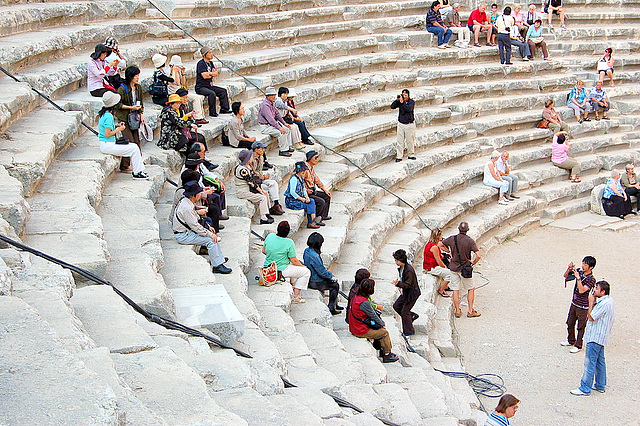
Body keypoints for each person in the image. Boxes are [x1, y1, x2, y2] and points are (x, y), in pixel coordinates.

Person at [172, 180, 231, 274]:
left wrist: (207, 227)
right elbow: (195, 226)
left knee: (211, 235)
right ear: (193, 195)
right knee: (211, 240)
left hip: (187, 231)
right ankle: (217, 265)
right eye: (199, 193)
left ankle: (218, 258)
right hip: (183, 235)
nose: (200, 194)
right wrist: (209, 234)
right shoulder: (186, 207)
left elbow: (195, 217)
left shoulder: (186, 202)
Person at [570, 280, 615, 396]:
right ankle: (600, 384)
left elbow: (591, 317)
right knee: (600, 361)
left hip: (595, 337)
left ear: (603, 292)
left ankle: (585, 388)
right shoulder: (609, 301)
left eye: (596, 288)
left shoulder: (604, 304)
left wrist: (590, 303)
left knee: (589, 363)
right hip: (601, 337)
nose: (594, 290)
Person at [97, 92, 148, 180]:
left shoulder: (104, 114)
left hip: (106, 144)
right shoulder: (109, 116)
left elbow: (107, 128)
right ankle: (137, 172)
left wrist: (117, 126)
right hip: (108, 145)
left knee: (133, 147)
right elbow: (107, 133)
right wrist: (119, 129)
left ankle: (139, 171)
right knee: (134, 148)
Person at [348, 278, 399, 363]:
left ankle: (382, 349)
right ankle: (387, 354)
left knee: (379, 329)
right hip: (360, 330)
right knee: (384, 333)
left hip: (354, 325)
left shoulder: (356, 296)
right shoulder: (364, 303)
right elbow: (373, 315)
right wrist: (382, 323)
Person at [262, 221, 311, 304]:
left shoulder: (270, 236)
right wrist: (303, 266)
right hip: (280, 270)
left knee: (294, 267)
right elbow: (294, 260)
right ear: (288, 232)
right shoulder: (289, 242)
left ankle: (293, 286)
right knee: (306, 272)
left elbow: (264, 251)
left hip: (268, 267)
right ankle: (296, 296)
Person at [443, 222, 482, 318]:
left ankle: (457, 310)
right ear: (467, 230)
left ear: (458, 228)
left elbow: (440, 244)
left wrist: (448, 252)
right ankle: (470, 310)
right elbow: (479, 255)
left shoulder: (452, 238)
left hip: (453, 268)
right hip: (465, 269)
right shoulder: (469, 241)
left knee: (455, 289)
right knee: (470, 288)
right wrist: (473, 262)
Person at [561, 256, 597, 354]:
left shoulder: (591, 280)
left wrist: (578, 278)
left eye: (585, 265)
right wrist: (569, 269)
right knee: (570, 322)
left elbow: (581, 290)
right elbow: (565, 276)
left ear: (591, 267)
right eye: (583, 263)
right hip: (574, 303)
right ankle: (571, 340)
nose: (583, 266)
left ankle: (578, 345)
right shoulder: (580, 272)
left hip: (583, 306)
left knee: (581, 326)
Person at [303, 232, 343, 315]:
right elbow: (322, 272)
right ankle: (332, 307)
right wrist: (330, 275)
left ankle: (335, 304)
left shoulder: (306, 251)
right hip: (315, 281)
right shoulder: (315, 256)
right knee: (335, 285)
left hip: (310, 277)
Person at [115, 66, 145, 173]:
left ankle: (138, 162)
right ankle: (124, 165)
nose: (137, 78)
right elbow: (118, 104)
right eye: (135, 76)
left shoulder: (138, 88)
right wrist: (131, 108)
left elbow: (141, 102)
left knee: (137, 142)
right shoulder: (122, 89)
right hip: (124, 118)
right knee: (129, 142)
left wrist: (141, 114)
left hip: (134, 118)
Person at [234, 149, 275, 224]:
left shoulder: (247, 167)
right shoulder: (242, 170)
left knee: (266, 194)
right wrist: (260, 191)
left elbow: (254, 180)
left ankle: (267, 213)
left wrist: (262, 189)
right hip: (243, 192)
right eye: (250, 157)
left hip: (249, 189)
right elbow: (251, 182)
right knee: (262, 197)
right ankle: (263, 218)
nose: (251, 158)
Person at [168, 55, 208, 125]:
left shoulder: (179, 71)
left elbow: (183, 83)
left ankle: (200, 116)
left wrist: (183, 73)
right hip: (174, 93)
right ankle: (197, 118)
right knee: (195, 98)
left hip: (181, 91)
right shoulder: (170, 72)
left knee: (198, 97)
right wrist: (174, 71)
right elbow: (176, 82)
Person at [249, 141, 284, 216]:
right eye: (261, 148)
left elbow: (259, 170)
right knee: (267, 189)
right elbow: (250, 173)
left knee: (273, 183)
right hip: (253, 182)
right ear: (256, 149)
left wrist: (263, 176)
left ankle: (276, 204)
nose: (263, 150)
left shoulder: (261, 157)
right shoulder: (250, 159)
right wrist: (261, 177)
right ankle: (269, 210)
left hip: (259, 179)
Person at [195, 46, 231, 117]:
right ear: (205, 54)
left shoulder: (210, 63)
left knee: (223, 91)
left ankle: (224, 108)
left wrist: (210, 74)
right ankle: (212, 112)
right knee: (212, 94)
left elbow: (216, 73)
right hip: (201, 87)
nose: (212, 54)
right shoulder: (201, 63)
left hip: (209, 85)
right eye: (210, 53)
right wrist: (212, 74)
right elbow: (204, 76)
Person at [284, 162, 322, 229]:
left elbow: (303, 189)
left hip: (298, 199)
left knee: (311, 201)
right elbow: (292, 192)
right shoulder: (294, 179)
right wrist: (301, 199)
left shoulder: (301, 178)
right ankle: (312, 221)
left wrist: (306, 197)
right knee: (309, 205)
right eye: (302, 171)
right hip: (291, 201)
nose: (304, 172)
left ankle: (312, 221)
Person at [392, 249, 421, 336]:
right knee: (396, 306)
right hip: (406, 292)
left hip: (412, 294)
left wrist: (399, 284)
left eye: (397, 260)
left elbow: (408, 285)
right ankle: (411, 316)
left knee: (405, 312)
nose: (396, 262)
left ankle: (409, 331)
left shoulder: (409, 270)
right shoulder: (402, 268)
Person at [258, 87, 293, 157]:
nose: (274, 97)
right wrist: (280, 128)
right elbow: (270, 119)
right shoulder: (265, 105)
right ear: (268, 96)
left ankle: (287, 146)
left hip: (270, 125)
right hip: (265, 126)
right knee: (281, 132)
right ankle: (283, 150)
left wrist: (284, 123)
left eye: (274, 95)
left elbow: (277, 114)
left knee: (287, 129)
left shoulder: (271, 103)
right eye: (272, 95)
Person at [302, 150, 332, 221]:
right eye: (315, 158)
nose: (317, 160)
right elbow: (300, 183)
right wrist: (306, 191)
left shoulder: (311, 168)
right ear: (310, 158)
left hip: (312, 190)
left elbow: (316, 179)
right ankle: (316, 219)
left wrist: (324, 189)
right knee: (321, 201)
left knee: (326, 196)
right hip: (306, 193)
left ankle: (323, 215)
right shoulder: (305, 170)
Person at [423, 228, 451, 298]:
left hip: (429, 266)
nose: (442, 236)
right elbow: (438, 261)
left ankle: (445, 286)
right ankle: (441, 290)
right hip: (431, 267)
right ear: (438, 236)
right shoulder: (434, 247)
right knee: (450, 274)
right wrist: (445, 267)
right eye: (441, 235)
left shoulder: (430, 244)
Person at [390, 89, 416, 162]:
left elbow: (408, 109)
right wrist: (397, 100)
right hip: (401, 124)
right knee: (400, 141)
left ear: (408, 95)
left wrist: (403, 102)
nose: (404, 96)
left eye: (405, 95)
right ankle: (399, 156)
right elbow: (392, 106)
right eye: (403, 95)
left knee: (410, 141)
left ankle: (411, 154)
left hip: (409, 124)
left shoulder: (411, 102)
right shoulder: (400, 102)